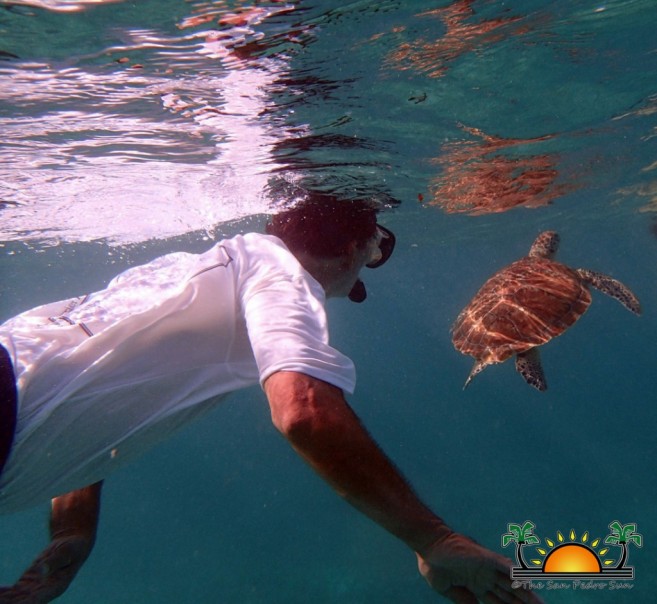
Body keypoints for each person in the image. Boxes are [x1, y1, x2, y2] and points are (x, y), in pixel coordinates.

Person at [0, 191, 542, 604]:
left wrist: (72, 531)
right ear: (354, 245)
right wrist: (436, 541)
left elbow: (93, 382)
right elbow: (303, 411)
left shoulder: (184, 268)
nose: (366, 268)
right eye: (377, 249)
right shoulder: (283, 277)